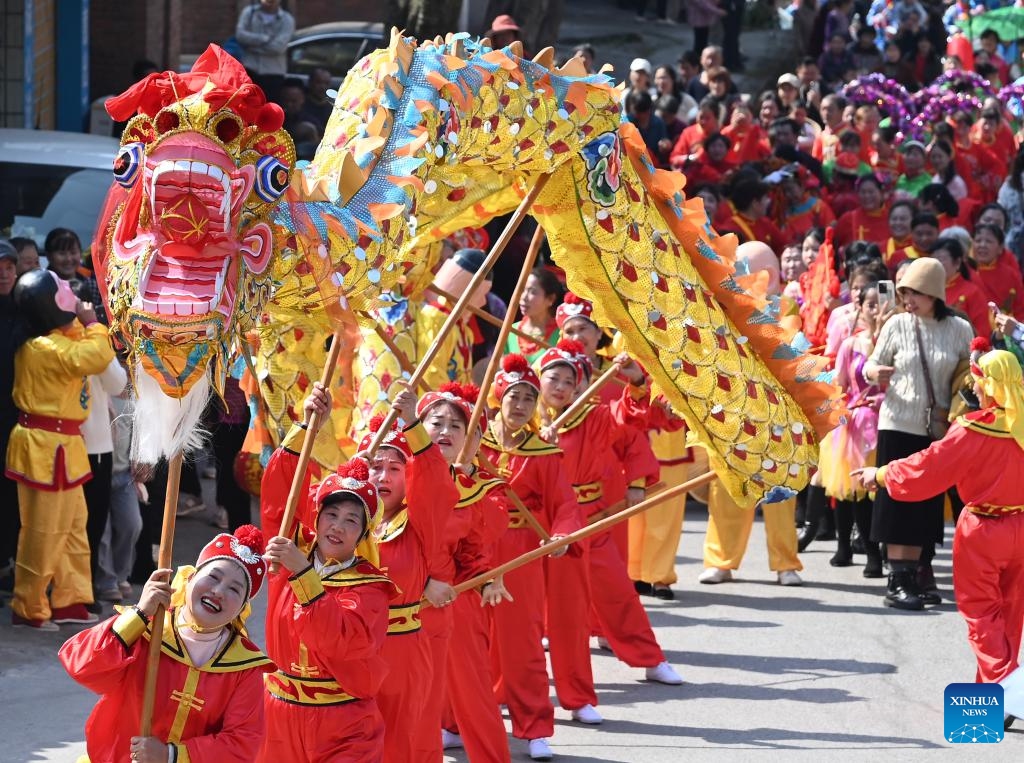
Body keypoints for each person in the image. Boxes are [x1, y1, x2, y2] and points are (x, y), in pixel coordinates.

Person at [852, 347, 1024, 724]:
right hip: (1021, 527)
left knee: (981, 616)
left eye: (978, 380)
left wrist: (879, 475)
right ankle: (991, 697)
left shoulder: (973, 430)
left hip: (982, 529)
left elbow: (927, 468)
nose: (974, 388)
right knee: (1010, 614)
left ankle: (1007, 692)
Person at [259, 383, 397, 762]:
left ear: (364, 534)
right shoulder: (286, 558)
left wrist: (303, 575)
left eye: (352, 520)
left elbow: (341, 640)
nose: (337, 526)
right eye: (330, 514)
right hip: (278, 716)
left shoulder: (371, 588)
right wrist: (307, 425)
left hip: (344, 722)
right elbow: (279, 496)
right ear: (315, 519)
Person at [59, 524, 271, 762]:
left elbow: (242, 743)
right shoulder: (149, 628)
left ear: (242, 609)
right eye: (213, 577)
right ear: (189, 578)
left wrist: (171, 755)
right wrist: (139, 613)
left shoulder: (245, 666)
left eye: (234, 589)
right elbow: (84, 668)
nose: (218, 591)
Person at [481, 354, 581, 761]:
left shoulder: (543, 454)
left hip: (520, 556)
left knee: (522, 644)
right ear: (499, 398)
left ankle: (535, 728)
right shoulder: (474, 443)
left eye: (528, 397)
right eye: (513, 396)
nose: (520, 405)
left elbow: (566, 504)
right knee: (468, 642)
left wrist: (560, 535)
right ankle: (453, 720)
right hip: (475, 552)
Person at [6, 270, 115, 630]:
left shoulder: (55, 340)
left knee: (72, 528)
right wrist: (93, 322)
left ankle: (70, 600)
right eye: (62, 287)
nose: (70, 288)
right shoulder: (43, 348)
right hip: (45, 446)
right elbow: (95, 357)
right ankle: (28, 605)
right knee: (43, 530)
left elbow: (86, 349)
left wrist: (85, 325)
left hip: (63, 445)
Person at [863, 257, 973, 610]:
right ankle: (899, 579)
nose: (907, 299)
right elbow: (870, 364)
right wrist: (873, 372)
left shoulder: (959, 328)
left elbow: (970, 375)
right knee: (898, 499)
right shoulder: (897, 324)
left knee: (925, 503)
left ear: (934, 292)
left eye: (915, 293)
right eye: (904, 292)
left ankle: (916, 575)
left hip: (938, 428)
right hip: (897, 423)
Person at [357, 387, 457, 763]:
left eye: (394, 468)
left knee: (402, 741)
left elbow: (435, 478)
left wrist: (414, 423)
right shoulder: (344, 523)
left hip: (402, 650)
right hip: (351, 648)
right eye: (374, 466)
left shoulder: (418, 521)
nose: (382, 476)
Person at [696, 242, 804, 586]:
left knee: (780, 490)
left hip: (777, 411)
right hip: (733, 409)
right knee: (726, 488)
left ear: (768, 275)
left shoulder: (785, 306)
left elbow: (784, 345)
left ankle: (786, 562)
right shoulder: (722, 304)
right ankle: (720, 561)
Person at [415, 383, 512, 762]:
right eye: (436, 422)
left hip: (455, 598)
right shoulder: (395, 476)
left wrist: (486, 576)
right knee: (405, 696)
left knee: (473, 688)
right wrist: (421, 582)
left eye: (458, 427)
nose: (445, 431)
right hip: (399, 601)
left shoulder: (481, 487)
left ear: (474, 440)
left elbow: (483, 539)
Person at [0, 241, 24, 592]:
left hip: (20, 422)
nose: (4, 273)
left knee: (12, 500)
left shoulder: (29, 311)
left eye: (9, 266)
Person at [235, 0, 295, 102]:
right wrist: (264, 39)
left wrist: (252, 46)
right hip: (250, 71)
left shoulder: (287, 19)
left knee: (268, 110)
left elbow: (278, 48)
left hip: (273, 75)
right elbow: (240, 36)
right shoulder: (249, 13)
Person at [929, 237, 990, 337]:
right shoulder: (926, 290)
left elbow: (982, 332)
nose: (936, 265)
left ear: (957, 262)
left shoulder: (972, 292)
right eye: (933, 260)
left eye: (941, 259)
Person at [505, 267, 563, 362]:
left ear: (550, 299)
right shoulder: (510, 330)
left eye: (533, 292)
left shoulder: (561, 335)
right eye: (522, 289)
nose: (524, 297)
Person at [972, 223, 1024, 319]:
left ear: (1000, 248)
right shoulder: (964, 272)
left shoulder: (1011, 275)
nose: (982, 245)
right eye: (978, 240)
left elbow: (1020, 310)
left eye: (989, 241)